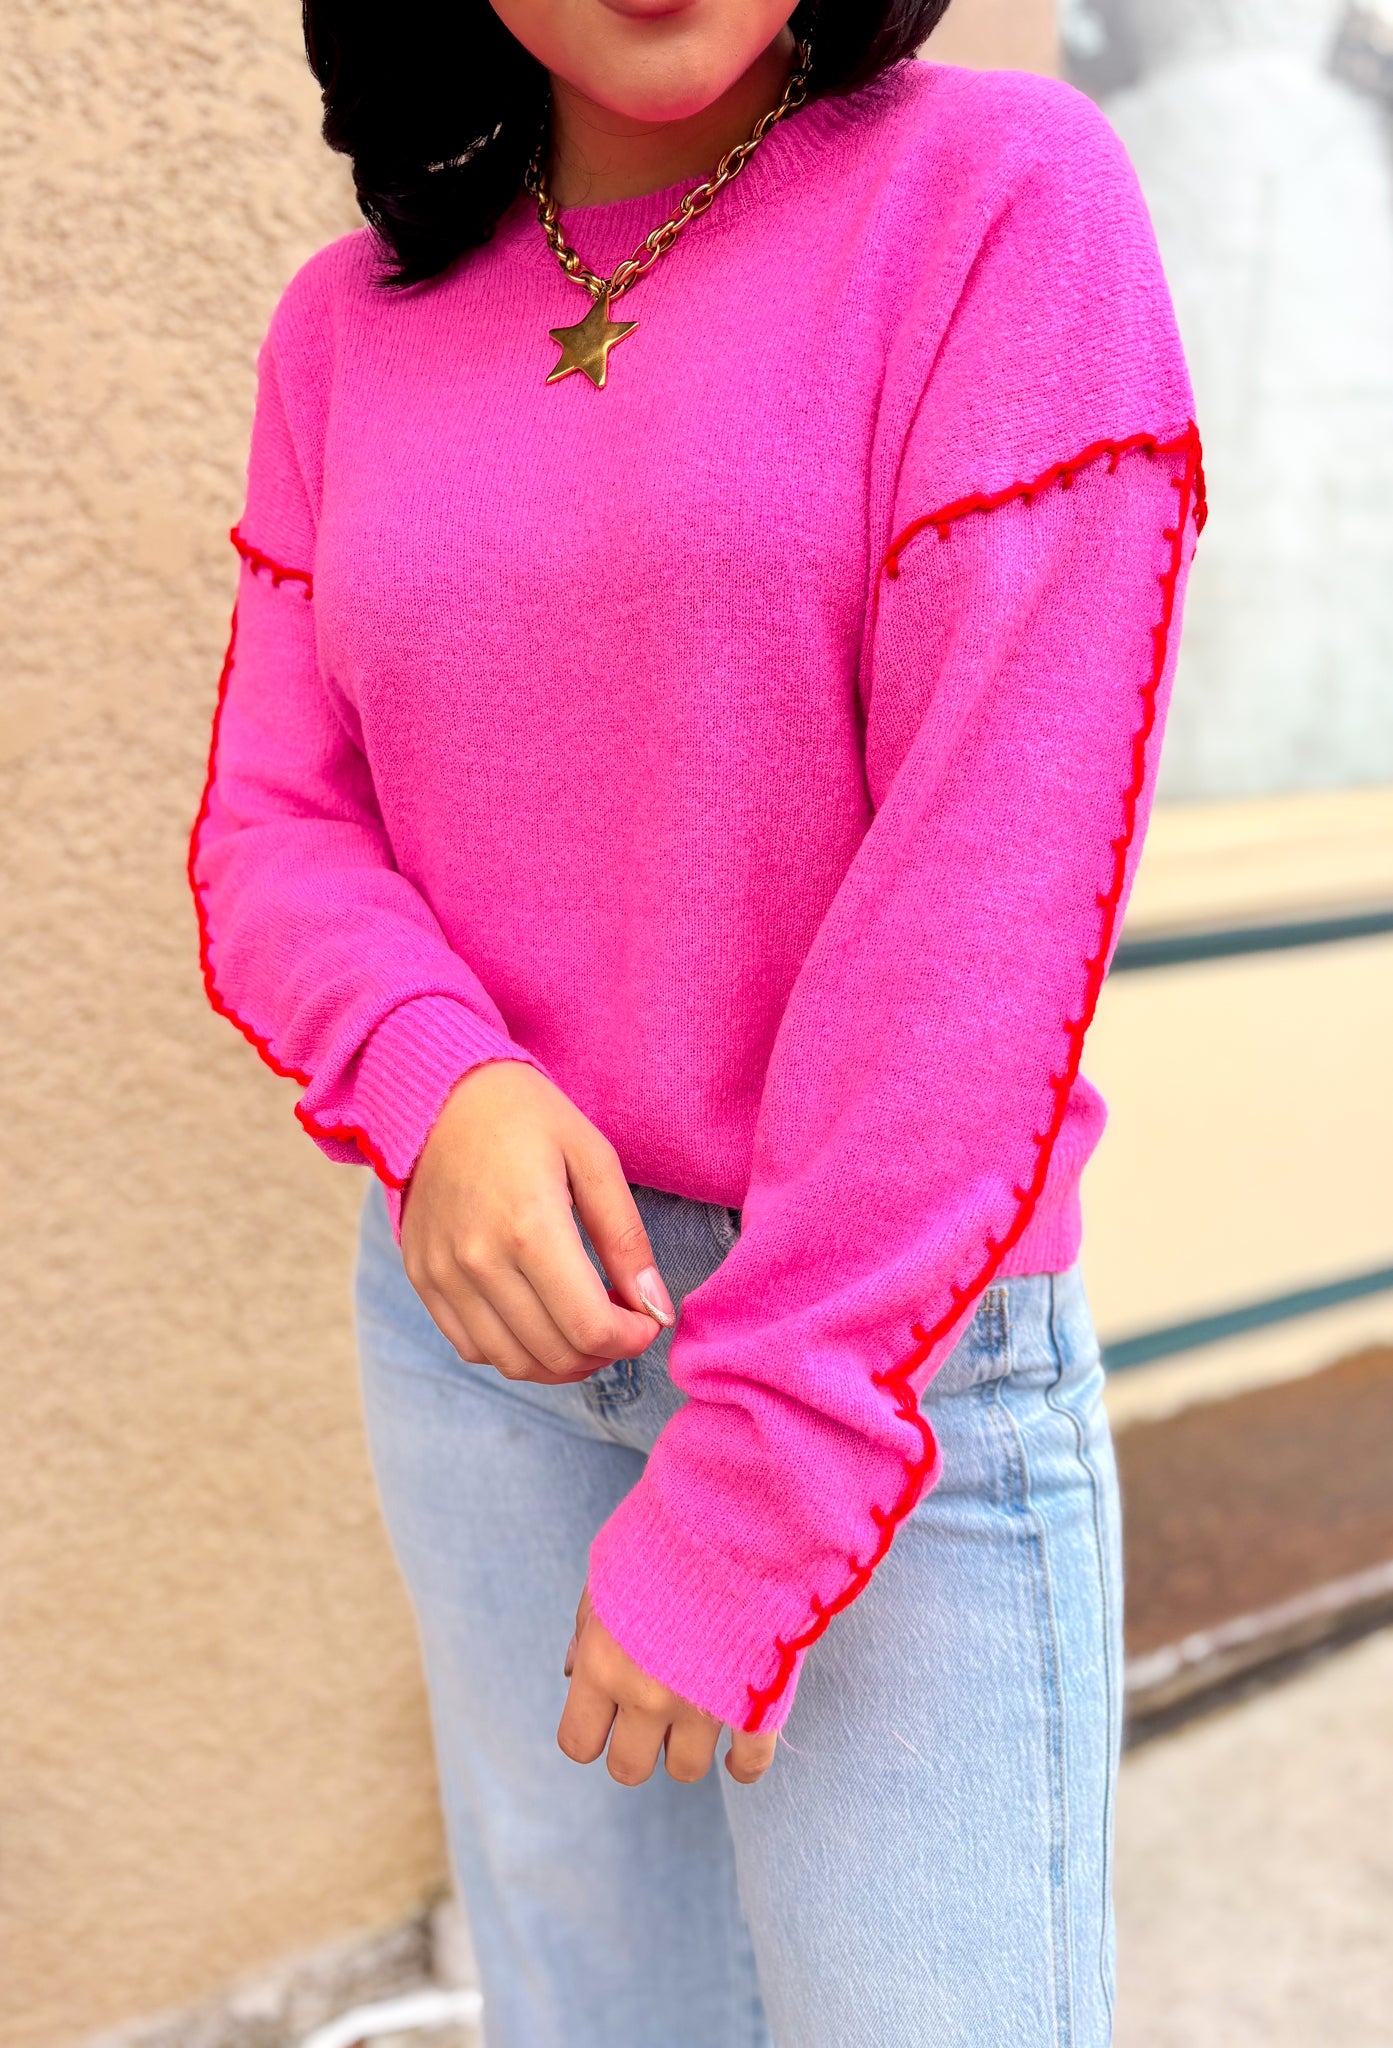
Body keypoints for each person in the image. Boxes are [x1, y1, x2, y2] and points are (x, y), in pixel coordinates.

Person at [190, 3, 1202, 2042]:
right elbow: (273, 819)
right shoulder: (349, 323)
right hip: (476, 1329)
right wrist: (434, 1078)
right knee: (592, 2017)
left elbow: (981, 907)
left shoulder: (996, 204)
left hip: (877, 1359)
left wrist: (761, 1473)